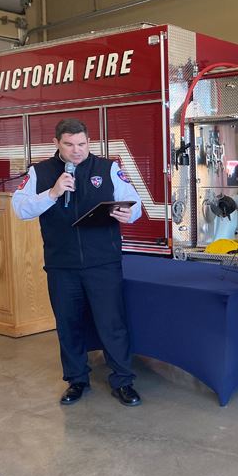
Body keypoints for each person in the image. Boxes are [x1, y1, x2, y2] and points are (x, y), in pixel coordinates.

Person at [11, 118, 143, 406]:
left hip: (102, 263)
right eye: (69, 145)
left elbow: (134, 203)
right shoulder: (40, 172)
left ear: (88, 142)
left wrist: (128, 214)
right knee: (68, 325)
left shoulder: (107, 168)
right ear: (57, 143)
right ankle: (76, 380)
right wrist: (53, 192)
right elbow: (19, 208)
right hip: (62, 265)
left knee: (112, 324)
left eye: (82, 144)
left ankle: (123, 380)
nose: (77, 151)